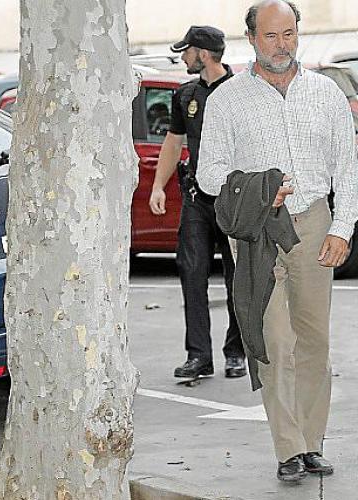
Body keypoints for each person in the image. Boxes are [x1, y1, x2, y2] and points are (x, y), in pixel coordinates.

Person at [196, 0, 358, 483]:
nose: (281, 45)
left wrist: (341, 228)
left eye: (289, 34)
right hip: (258, 232)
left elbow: (345, 169)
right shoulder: (227, 99)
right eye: (270, 35)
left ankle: (312, 443)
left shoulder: (325, 93)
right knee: (274, 341)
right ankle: (288, 448)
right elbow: (208, 175)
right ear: (251, 38)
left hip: (313, 225)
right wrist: (259, 188)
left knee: (314, 341)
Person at [148, 26, 246, 380]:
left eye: (186, 51)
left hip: (233, 201)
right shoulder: (186, 93)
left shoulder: (242, 91)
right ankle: (198, 356)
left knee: (238, 280)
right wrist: (158, 186)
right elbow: (174, 142)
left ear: (203, 53)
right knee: (192, 274)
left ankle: (237, 351)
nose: (183, 57)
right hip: (196, 199)